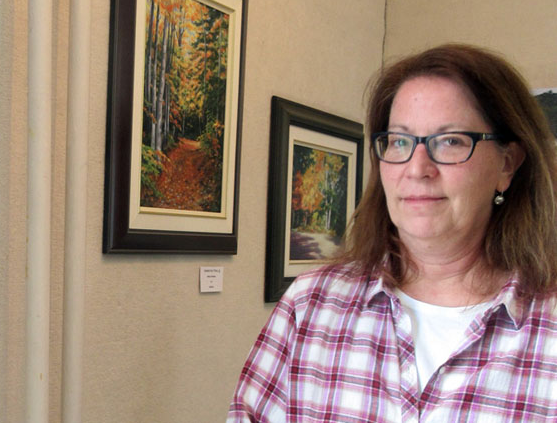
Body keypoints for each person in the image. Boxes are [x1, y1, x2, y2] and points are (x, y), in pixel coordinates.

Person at [227, 43, 557, 422]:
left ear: (507, 164)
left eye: (450, 141)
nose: (417, 169)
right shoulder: (310, 306)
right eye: (400, 141)